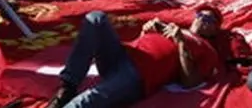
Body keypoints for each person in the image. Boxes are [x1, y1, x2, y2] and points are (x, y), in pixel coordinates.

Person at [48, 6, 235, 108]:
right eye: (200, 14)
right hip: (123, 55)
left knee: (86, 102)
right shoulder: (172, 27)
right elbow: (142, 43)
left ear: (215, 30)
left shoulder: (207, 49)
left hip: (140, 75)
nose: (202, 19)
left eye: (209, 19)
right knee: (96, 18)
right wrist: (145, 32)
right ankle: (68, 86)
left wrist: (181, 43)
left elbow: (190, 82)